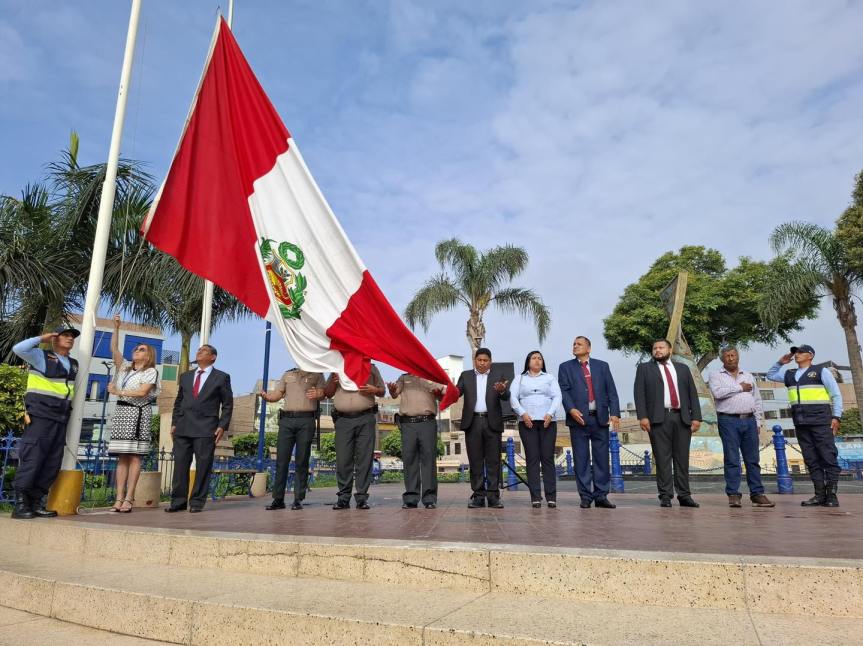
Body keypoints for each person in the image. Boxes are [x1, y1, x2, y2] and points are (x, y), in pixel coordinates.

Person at [10, 326, 80, 519]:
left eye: (72, 336)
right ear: (55, 338)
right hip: (41, 415)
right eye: (65, 335)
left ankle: (36, 501)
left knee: (51, 462)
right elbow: (18, 349)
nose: (70, 339)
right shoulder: (41, 356)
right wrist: (42, 338)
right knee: (33, 458)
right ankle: (21, 504)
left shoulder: (73, 363)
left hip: (61, 417)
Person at [766, 345, 843, 507]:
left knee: (828, 457)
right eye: (795, 352)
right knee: (811, 459)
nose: (797, 354)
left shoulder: (821, 371)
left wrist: (836, 417)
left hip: (821, 421)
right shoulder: (790, 374)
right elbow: (770, 375)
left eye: (800, 352)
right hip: (801, 423)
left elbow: (836, 394)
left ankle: (831, 496)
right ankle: (819, 495)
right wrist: (781, 362)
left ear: (810, 355)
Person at [634, 339, 702, 508]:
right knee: (662, 459)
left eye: (661, 347)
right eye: (655, 348)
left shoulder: (683, 369)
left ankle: (684, 495)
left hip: (682, 418)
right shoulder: (644, 369)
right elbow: (639, 394)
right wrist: (643, 417)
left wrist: (696, 417)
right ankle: (665, 495)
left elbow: (692, 393)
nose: (657, 350)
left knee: (682, 459)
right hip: (658, 419)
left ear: (670, 350)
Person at [166, 345, 233, 513]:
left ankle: (196, 502)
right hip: (183, 427)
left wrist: (222, 426)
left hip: (206, 428)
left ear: (213, 357)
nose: (199, 352)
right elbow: (179, 402)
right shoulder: (186, 376)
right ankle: (178, 502)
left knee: (203, 466)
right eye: (198, 350)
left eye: (203, 351)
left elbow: (227, 404)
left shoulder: (221, 377)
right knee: (180, 465)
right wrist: (174, 423)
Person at [558, 336, 620, 509]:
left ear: (589, 348)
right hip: (578, 419)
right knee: (581, 459)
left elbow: (611, 390)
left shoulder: (602, 366)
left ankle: (601, 496)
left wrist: (615, 413)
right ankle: (585, 496)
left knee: (602, 458)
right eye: (574, 344)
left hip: (600, 418)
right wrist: (571, 409)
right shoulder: (565, 367)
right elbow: (563, 391)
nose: (575, 346)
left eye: (579, 344)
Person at [708, 347, 774, 508]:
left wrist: (757, 422)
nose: (731, 358)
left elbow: (757, 399)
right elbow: (718, 393)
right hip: (728, 420)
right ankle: (733, 494)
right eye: (727, 356)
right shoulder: (716, 375)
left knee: (753, 460)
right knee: (732, 459)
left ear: (738, 357)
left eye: (733, 355)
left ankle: (757, 494)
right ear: (722, 359)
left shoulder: (748, 375)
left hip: (749, 421)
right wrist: (740, 387)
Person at [106, 314, 159, 513]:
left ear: (149, 355)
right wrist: (116, 327)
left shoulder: (150, 372)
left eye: (142, 349)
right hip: (121, 412)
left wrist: (118, 391)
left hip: (138, 414)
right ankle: (118, 498)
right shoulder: (125, 368)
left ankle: (129, 498)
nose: (137, 350)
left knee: (135, 457)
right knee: (122, 457)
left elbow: (142, 392)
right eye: (136, 348)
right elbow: (114, 349)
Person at [260, 367, 325, 510]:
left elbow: (323, 393)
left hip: (306, 420)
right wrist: (267, 397)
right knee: (281, 461)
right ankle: (278, 499)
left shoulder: (317, 374)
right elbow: (278, 393)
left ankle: (298, 499)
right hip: (286, 421)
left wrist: (318, 393)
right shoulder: (288, 374)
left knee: (302, 460)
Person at [324, 364, 385, 509]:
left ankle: (362, 498)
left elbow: (382, 391)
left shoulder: (371, 367)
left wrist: (375, 390)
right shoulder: (337, 367)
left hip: (365, 417)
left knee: (364, 459)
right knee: (343, 459)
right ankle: (343, 498)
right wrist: (334, 382)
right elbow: (328, 393)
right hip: (343, 420)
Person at [456, 348, 510, 509]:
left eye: (485, 360)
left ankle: (493, 496)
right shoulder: (466, 376)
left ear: (490, 362)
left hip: (492, 422)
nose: (482, 363)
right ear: (475, 360)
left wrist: (502, 391)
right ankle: (478, 496)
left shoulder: (498, 375)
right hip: (472, 422)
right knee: (475, 461)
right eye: (479, 360)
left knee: (493, 461)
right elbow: (457, 392)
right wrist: (446, 390)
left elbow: (506, 396)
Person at [509, 351, 562, 508]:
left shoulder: (549, 378)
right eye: (534, 358)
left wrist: (550, 413)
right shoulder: (519, 378)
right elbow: (513, 397)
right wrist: (523, 413)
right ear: (528, 361)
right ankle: (535, 497)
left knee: (547, 458)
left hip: (547, 422)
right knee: (532, 459)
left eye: (540, 358)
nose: (537, 360)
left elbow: (557, 396)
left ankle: (551, 497)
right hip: (527, 422)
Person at [387, 373, 445, 509]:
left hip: (427, 422)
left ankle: (429, 499)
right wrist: (392, 390)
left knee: (428, 461)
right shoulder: (403, 378)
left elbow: (442, 395)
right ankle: (411, 498)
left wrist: (438, 392)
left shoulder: (431, 376)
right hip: (408, 424)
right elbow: (395, 394)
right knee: (409, 460)